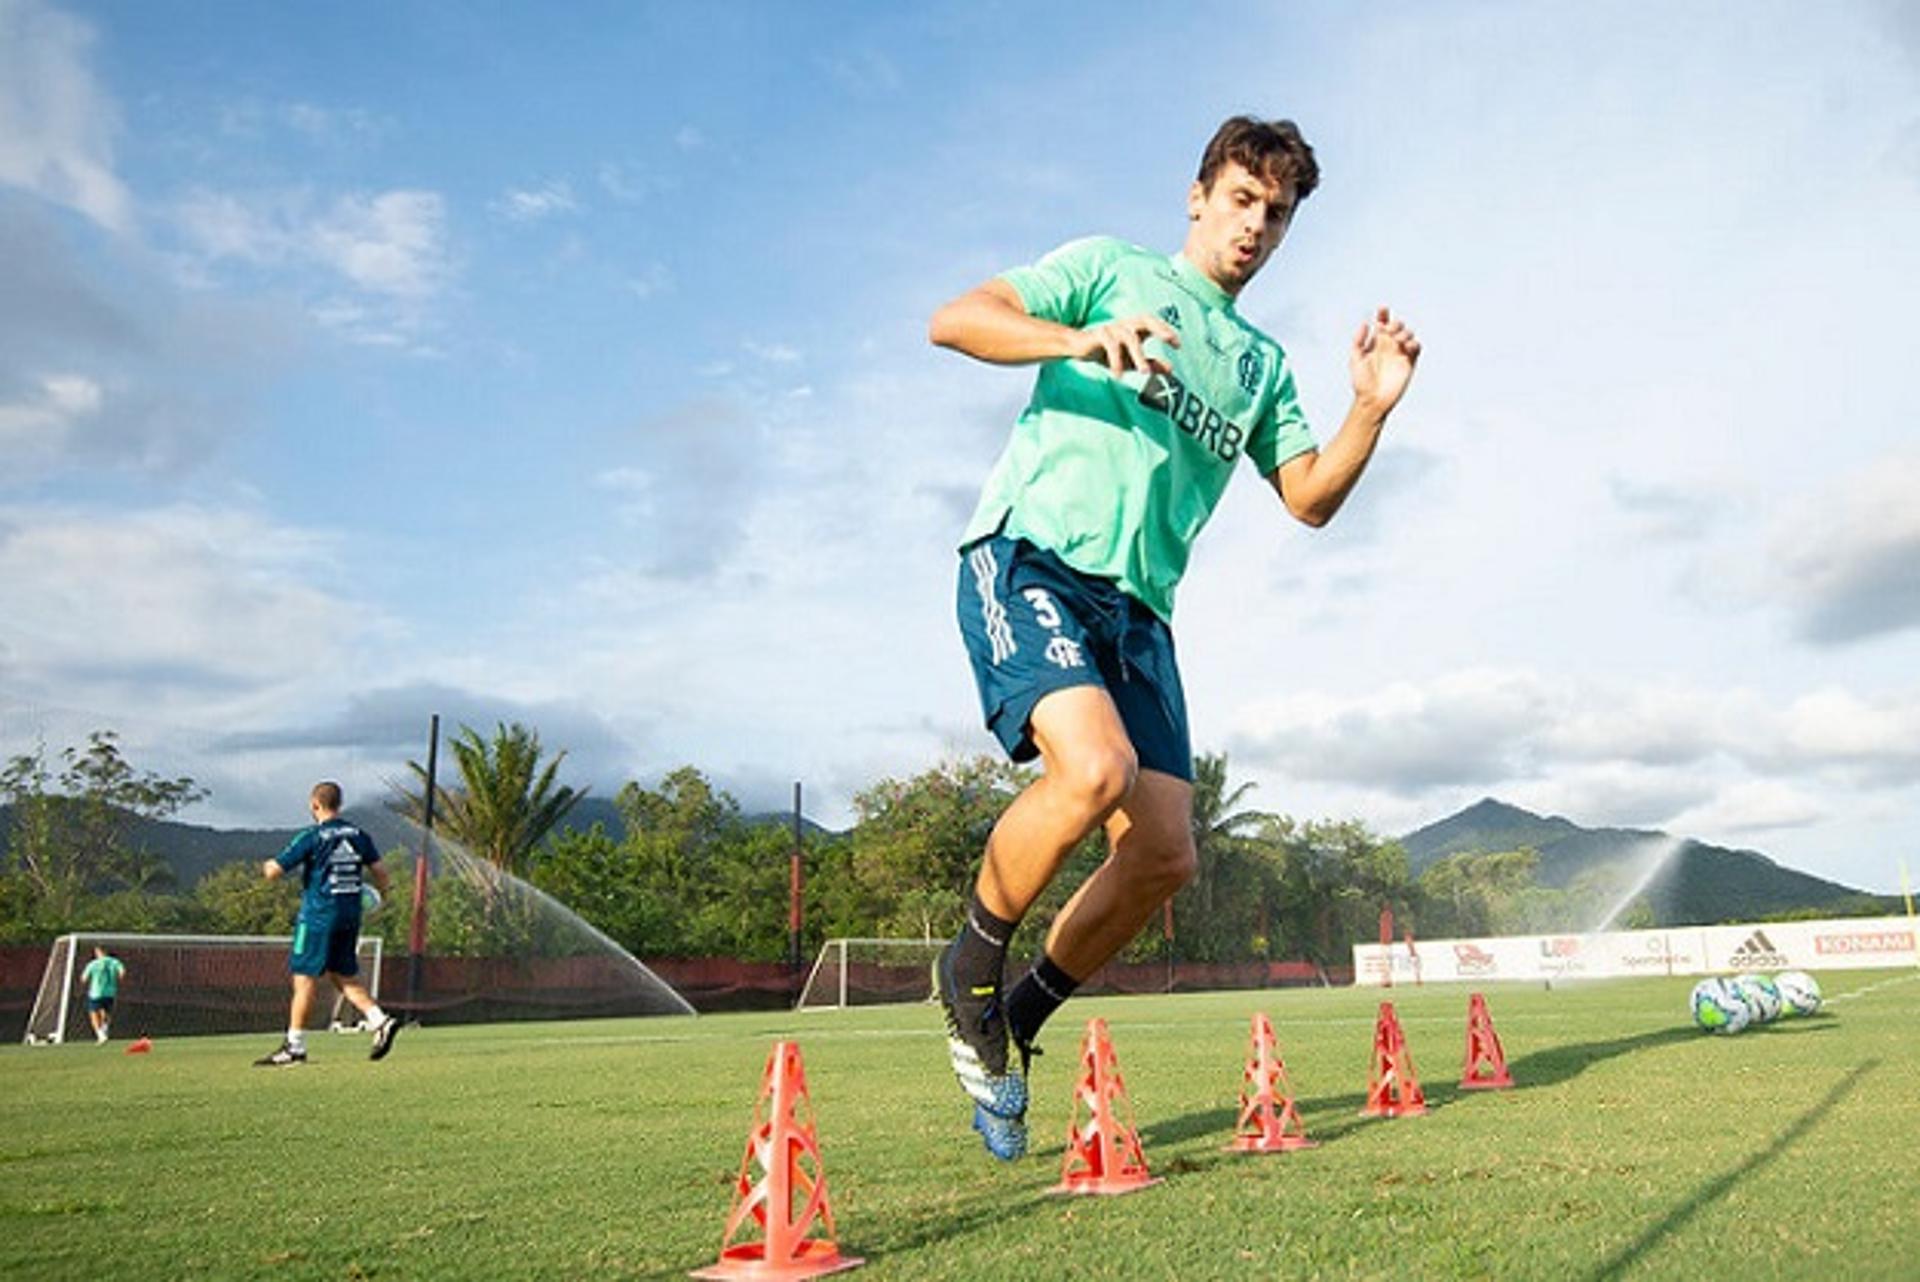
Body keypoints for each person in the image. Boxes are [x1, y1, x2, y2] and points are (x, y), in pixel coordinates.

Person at [928, 116, 1421, 1158]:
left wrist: (1370, 411)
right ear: (1198, 196)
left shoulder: (1259, 365)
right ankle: (968, 966)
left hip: (1140, 615)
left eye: (1276, 215)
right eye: (1242, 200)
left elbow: (1308, 498)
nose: (1256, 226)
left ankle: (1013, 1020)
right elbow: (958, 319)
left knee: (1163, 854)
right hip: (1031, 561)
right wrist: (1075, 338)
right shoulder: (1109, 270)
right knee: (1095, 770)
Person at [254, 781, 400, 1066]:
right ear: (339, 804)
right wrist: (383, 897)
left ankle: (294, 1046)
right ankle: (379, 1020)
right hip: (349, 916)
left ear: (315, 805)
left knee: (304, 977)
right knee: (342, 975)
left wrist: (267, 867)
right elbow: (381, 872)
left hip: (318, 917)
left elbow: (274, 871)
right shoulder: (358, 834)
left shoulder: (312, 836)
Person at [79, 945, 126, 1043]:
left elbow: (83, 979)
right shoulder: (115, 962)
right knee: (106, 1012)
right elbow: (122, 972)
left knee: (93, 1014)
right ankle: (105, 1028)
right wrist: (118, 977)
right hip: (110, 993)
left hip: (96, 993)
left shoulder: (93, 964)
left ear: (98, 952)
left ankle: (100, 1034)